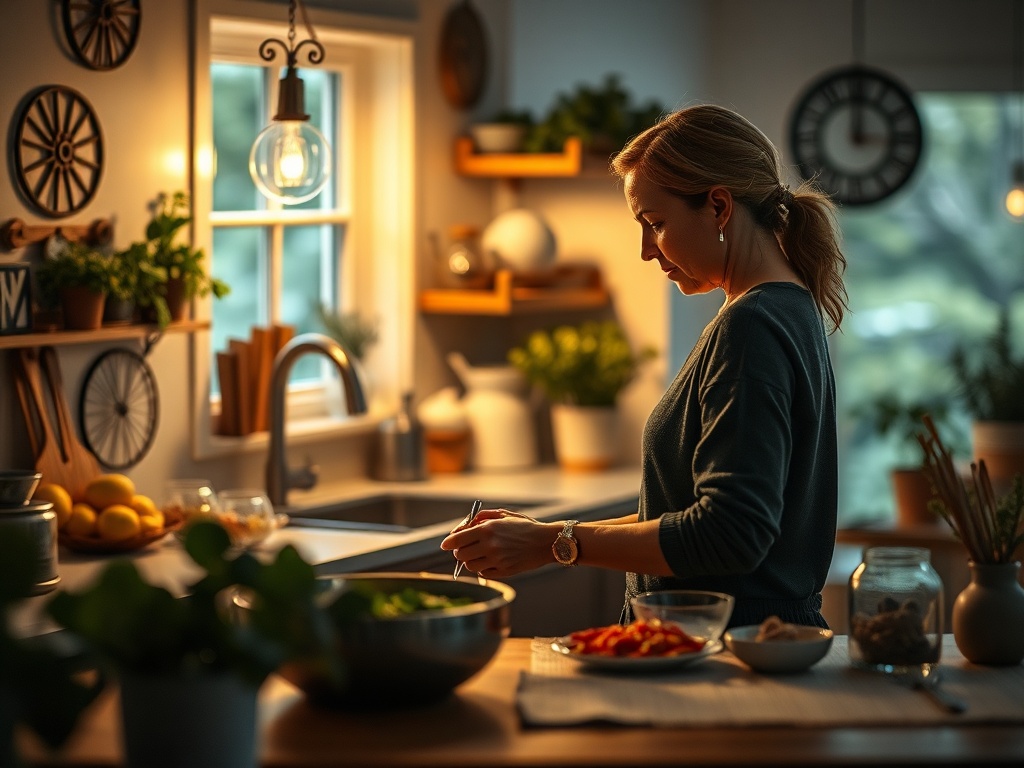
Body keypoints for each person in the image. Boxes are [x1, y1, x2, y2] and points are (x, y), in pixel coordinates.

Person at [440, 104, 847, 630]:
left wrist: (555, 543)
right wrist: (551, 534)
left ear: (719, 207)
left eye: (655, 223)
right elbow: (687, 514)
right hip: (746, 643)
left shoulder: (751, 327)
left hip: (726, 654)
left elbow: (730, 534)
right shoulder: (790, 308)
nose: (644, 250)